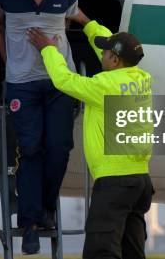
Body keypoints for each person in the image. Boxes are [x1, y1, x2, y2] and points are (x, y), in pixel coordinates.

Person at [27, 13, 154, 259]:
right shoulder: (141, 78)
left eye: (106, 53)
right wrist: (87, 23)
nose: (102, 55)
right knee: (132, 252)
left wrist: (49, 50)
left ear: (115, 60)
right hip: (140, 180)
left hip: (115, 182)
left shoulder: (104, 86)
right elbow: (110, 51)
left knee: (101, 250)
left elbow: (64, 80)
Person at [0, 0, 78, 254]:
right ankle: (29, 224)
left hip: (60, 80)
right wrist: (11, 58)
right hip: (22, 83)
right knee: (30, 149)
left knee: (60, 148)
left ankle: (46, 207)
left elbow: (69, 19)